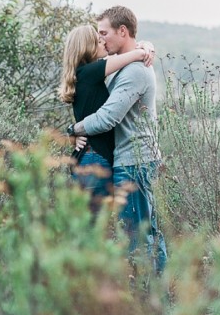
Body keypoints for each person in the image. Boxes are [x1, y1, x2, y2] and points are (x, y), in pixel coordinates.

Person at [69, 5, 168, 274]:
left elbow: (107, 118)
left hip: (134, 162)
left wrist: (74, 129)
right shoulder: (122, 66)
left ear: (122, 31)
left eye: (104, 33)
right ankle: (156, 299)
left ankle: (153, 301)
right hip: (130, 159)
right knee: (144, 233)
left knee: (139, 237)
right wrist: (144, 47)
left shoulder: (134, 71)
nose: (101, 40)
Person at [58, 25, 154, 221]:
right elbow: (130, 57)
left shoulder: (85, 74)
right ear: (87, 47)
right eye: (98, 39)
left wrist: (146, 45)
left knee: (90, 226)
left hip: (90, 157)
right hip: (94, 159)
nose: (103, 42)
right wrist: (143, 51)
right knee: (90, 229)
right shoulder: (90, 71)